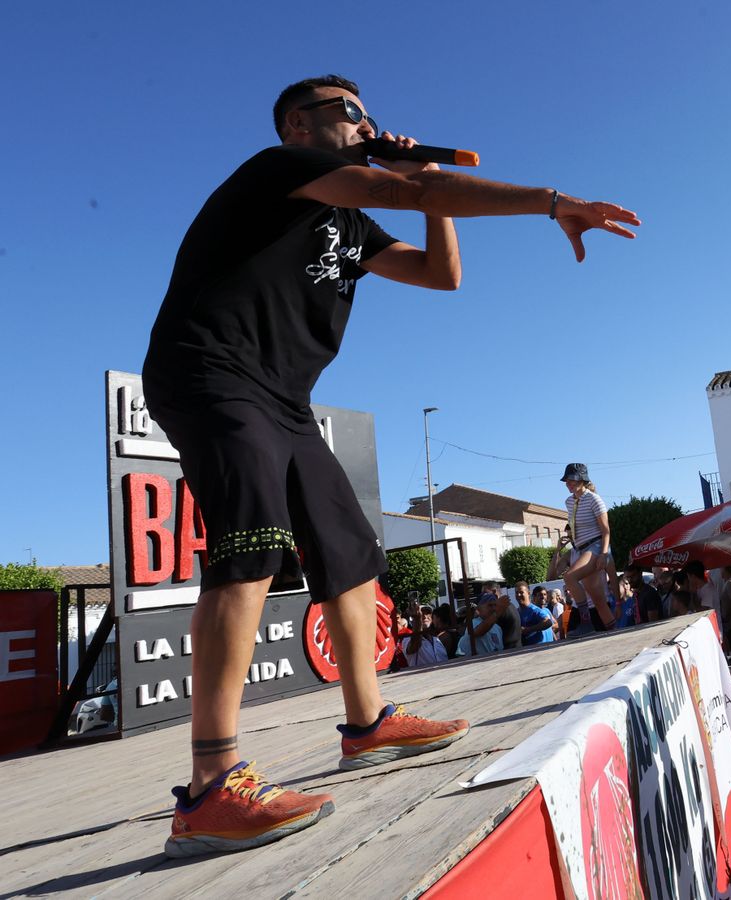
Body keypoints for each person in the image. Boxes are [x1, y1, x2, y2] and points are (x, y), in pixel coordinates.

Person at [142, 72, 619, 856]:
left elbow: (442, 275)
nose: (367, 123)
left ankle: (366, 725)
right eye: (350, 113)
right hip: (210, 372)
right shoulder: (280, 169)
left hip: (284, 399)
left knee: (351, 554)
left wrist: (422, 189)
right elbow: (411, 194)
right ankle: (209, 788)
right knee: (250, 550)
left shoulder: (353, 223)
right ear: (300, 124)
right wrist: (545, 199)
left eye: (370, 114)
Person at [560, 464, 617, 631]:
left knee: (569, 577)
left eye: (571, 479)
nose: (568, 483)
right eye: (566, 480)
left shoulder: (594, 499)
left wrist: (604, 554)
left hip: (595, 546)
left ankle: (585, 623)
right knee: (597, 598)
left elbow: (606, 530)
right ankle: (614, 631)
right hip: (581, 549)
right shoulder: (569, 502)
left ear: (582, 480)